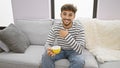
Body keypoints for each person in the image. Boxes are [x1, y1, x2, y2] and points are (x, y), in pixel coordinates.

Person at [42, 4, 86, 68]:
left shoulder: (79, 27)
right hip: (60, 50)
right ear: (61, 15)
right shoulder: (56, 27)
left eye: (70, 15)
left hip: (74, 51)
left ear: (74, 16)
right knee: (45, 56)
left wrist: (67, 36)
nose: (67, 17)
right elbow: (48, 43)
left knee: (80, 61)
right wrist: (48, 49)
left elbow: (80, 50)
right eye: (64, 14)